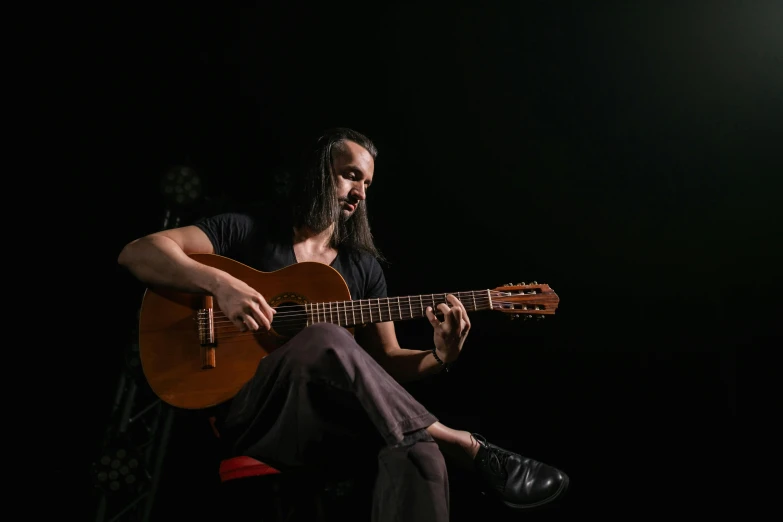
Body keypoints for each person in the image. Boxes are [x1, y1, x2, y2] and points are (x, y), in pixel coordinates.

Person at [117, 127, 569, 521]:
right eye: (351, 174)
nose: (360, 192)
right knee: (327, 337)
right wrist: (220, 284)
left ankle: (444, 445)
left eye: (368, 183)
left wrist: (439, 357)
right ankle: (468, 447)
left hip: (325, 424)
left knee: (420, 454)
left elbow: (386, 364)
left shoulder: (364, 270)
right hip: (252, 412)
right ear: (318, 170)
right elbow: (137, 252)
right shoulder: (246, 230)